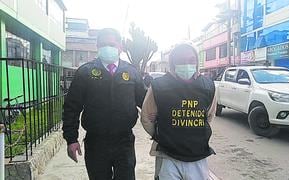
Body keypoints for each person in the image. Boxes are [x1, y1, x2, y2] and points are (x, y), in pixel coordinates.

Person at [62, 28, 146, 180]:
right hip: (96, 143)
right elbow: (71, 108)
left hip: (124, 142)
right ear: (97, 47)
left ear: (120, 47)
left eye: (112, 44)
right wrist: (71, 139)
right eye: (103, 44)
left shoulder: (132, 72)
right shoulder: (85, 72)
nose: (108, 48)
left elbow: (146, 103)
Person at [141, 43, 217, 180]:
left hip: (197, 157)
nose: (186, 64)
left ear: (197, 62)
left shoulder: (208, 86)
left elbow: (209, 116)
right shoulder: (159, 86)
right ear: (172, 63)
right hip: (168, 156)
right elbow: (146, 118)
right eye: (181, 61)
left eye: (191, 60)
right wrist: (161, 134)